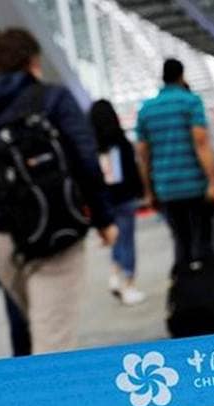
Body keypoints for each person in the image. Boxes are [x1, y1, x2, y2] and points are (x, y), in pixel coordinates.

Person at [0, 28, 117, 354]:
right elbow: (85, 160)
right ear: (34, 61)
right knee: (54, 343)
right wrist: (104, 218)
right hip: (53, 231)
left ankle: (32, 394)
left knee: (35, 326)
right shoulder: (53, 99)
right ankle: (48, 401)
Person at [136, 58, 214, 271]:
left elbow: (143, 155)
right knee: (203, 243)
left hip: (166, 188)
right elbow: (201, 143)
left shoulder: (146, 110)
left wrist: (148, 191)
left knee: (180, 241)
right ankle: (208, 295)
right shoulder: (190, 102)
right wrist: (212, 182)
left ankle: (185, 297)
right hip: (195, 186)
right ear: (182, 76)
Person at [89, 99, 146, 305]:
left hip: (105, 201)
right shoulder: (121, 142)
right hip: (125, 198)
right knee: (127, 241)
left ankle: (114, 274)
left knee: (115, 239)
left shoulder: (90, 146)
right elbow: (133, 171)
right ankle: (128, 285)